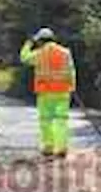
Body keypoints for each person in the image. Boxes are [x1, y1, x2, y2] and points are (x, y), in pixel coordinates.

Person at [20, 27, 75, 158]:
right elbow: (71, 70)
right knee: (61, 120)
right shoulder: (65, 52)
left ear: (40, 41)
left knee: (46, 120)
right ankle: (61, 148)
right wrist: (72, 86)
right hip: (63, 91)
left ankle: (48, 147)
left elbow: (24, 58)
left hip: (45, 92)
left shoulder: (40, 53)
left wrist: (28, 43)